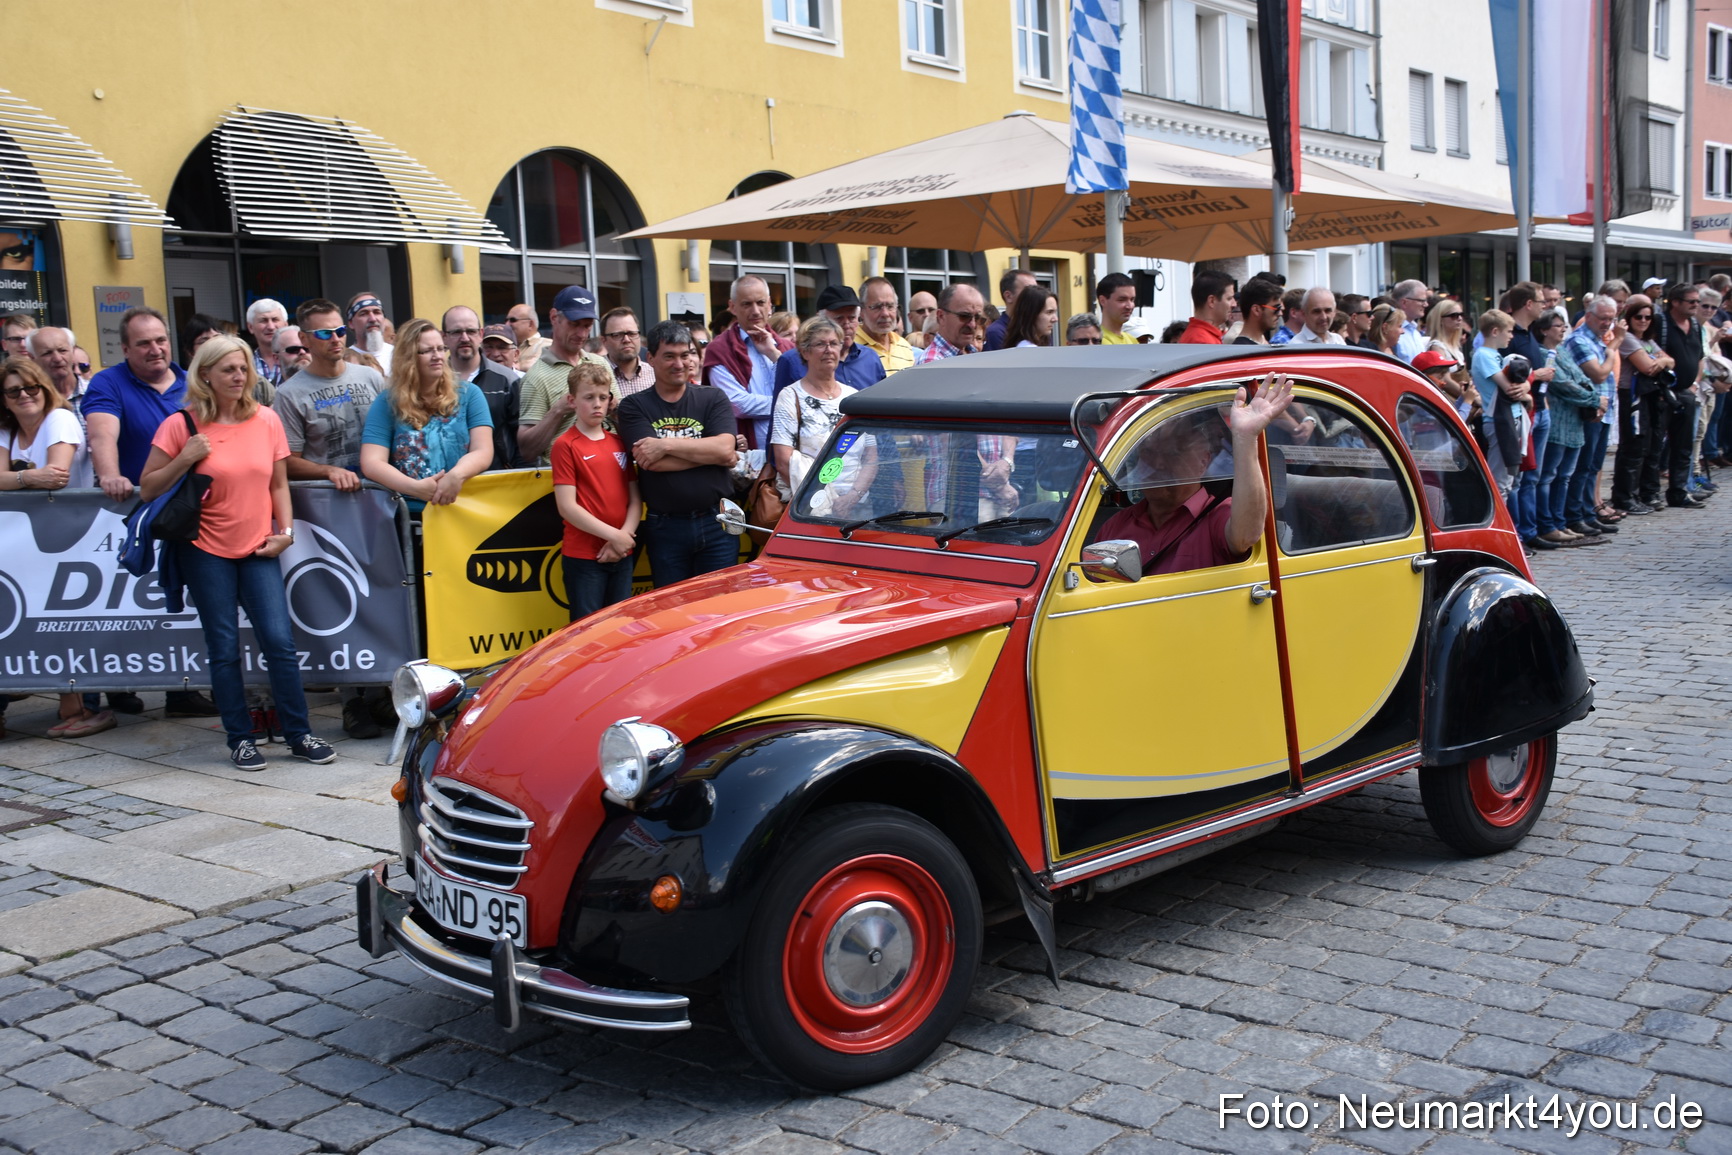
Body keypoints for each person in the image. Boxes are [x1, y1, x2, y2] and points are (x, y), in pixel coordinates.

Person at [136, 337, 336, 771]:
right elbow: (148, 486)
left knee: (280, 642)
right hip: (204, 550)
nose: (238, 377)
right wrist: (184, 458)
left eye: (243, 368)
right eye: (228, 369)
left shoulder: (265, 420)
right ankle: (240, 738)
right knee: (223, 647)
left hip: (260, 546)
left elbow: (278, 485)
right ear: (205, 374)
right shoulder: (181, 424)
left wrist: (284, 533)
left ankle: (298, 733)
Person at [85, 306, 220, 717]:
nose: (154, 349)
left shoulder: (189, 381)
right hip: (135, 513)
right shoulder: (108, 382)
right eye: (143, 343)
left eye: (160, 340)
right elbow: (102, 432)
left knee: (182, 604)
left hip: (191, 515)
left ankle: (183, 692)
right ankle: (112, 689)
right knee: (122, 608)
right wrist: (110, 475)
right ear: (125, 348)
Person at [273, 300, 388, 740]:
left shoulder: (370, 378)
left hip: (377, 506)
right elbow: (286, 460)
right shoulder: (290, 393)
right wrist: (328, 472)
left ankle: (381, 690)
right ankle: (351, 701)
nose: (335, 339)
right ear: (303, 340)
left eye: (339, 330)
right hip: (327, 513)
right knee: (340, 604)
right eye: (323, 333)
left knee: (382, 598)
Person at [0, 357, 114, 738]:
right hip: (26, 545)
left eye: (31, 387)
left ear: (43, 388)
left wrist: (14, 478)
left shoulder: (60, 419)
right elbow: (39, 475)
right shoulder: (7, 430)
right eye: (14, 391)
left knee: (70, 623)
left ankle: (86, 707)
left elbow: (59, 475)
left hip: (71, 538)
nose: (25, 396)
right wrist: (29, 476)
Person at [1094, 375, 1295, 575]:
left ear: (1203, 462)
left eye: (1172, 454)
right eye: (1148, 453)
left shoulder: (1217, 517)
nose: (1157, 463)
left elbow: (1247, 535)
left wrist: (1246, 437)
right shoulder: (1117, 524)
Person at [617, 321, 739, 587]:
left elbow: (725, 449)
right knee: (673, 611)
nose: (680, 364)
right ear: (650, 359)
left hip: (718, 521)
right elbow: (652, 463)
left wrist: (665, 445)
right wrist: (713, 453)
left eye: (685, 355)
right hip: (666, 527)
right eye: (669, 356)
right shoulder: (633, 406)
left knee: (722, 609)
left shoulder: (713, 398)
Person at [360, 319, 494, 514]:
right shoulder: (387, 402)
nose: (438, 356)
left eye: (441, 348)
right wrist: (413, 488)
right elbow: (372, 462)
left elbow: (483, 450)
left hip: (465, 510)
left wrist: (457, 475)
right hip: (410, 515)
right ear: (408, 357)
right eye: (428, 351)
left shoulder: (469, 394)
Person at [551, 362, 640, 620]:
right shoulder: (565, 445)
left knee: (619, 627)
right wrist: (616, 536)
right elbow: (567, 506)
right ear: (572, 400)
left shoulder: (618, 442)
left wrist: (623, 538)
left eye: (603, 397)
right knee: (585, 631)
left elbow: (634, 499)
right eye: (589, 398)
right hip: (584, 556)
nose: (597, 404)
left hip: (622, 551)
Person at [769, 317, 876, 515]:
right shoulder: (790, 396)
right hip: (810, 507)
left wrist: (852, 497)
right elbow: (783, 460)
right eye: (820, 344)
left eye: (834, 343)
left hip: (858, 507)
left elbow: (871, 457)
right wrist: (823, 501)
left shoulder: (855, 397)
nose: (829, 350)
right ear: (804, 351)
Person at [1538, 301, 1615, 544]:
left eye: (1564, 325)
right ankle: (1549, 523)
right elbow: (1563, 384)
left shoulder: (1562, 351)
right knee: (1551, 475)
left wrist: (1593, 398)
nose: (1562, 330)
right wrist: (1594, 399)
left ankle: (1564, 521)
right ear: (1544, 330)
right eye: (1557, 326)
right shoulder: (1543, 353)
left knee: (1566, 476)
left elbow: (1582, 378)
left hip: (1575, 423)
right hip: (1558, 423)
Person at [517, 286, 610, 464]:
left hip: (607, 472)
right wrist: (558, 411)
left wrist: (615, 410)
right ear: (554, 317)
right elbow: (527, 451)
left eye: (587, 326)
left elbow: (622, 424)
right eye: (574, 324)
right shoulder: (536, 377)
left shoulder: (600, 363)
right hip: (566, 479)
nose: (582, 333)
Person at [705, 275, 793, 450]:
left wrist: (774, 354)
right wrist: (789, 404)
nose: (755, 311)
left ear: (769, 305)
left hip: (792, 449)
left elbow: (806, 389)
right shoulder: (720, 349)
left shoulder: (787, 347)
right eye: (747, 304)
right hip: (748, 455)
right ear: (732, 307)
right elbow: (737, 404)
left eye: (760, 303)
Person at [1611, 295, 1671, 516]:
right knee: (1633, 447)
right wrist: (1658, 361)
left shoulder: (1648, 341)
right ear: (1630, 317)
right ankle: (1625, 496)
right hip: (1632, 395)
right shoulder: (1627, 339)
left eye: (1647, 317)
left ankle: (1644, 492)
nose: (1643, 321)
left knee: (1652, 445)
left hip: (1651, 396)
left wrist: (1661, 361)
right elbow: (1647, 367)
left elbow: (1668, 361)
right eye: (1639, 316)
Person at [443, 306, 522, 470]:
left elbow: (523, 440)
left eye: (470, 331)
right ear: (444, 337)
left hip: (496, 482)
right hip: (444, 481)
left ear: (480, 334)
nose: (464, 338)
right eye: (456, 332)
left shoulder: (507, 380)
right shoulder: (433, 381)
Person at [772, 285, 886, 394]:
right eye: (839, 318)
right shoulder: (792, 361)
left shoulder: (871, 358)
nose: (846, 324)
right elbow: (781, 409)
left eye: (852, 318)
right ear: (820, 319)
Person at [1472, 310, 1529, 509]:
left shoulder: (1492, 355)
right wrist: (1528, 388)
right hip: (1499, 421)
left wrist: (1526, 388)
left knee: (1508, 480)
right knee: (1501, 482)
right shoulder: (1484, 356)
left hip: (1508, 418)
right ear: (1495, 331)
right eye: (1509, 331)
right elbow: (1510, 389)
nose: (1511, 336)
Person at [857, 277, 918, 374]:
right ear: (861, 311)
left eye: (890, 306)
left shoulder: (904, 346)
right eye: (877, 307)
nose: (885, 313)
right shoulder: (851, 347)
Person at [25, 327, 87, 422]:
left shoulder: (96, 391)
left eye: (62, 350)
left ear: (73, 351)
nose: (57, 358)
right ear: (32, 358)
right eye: (47, 353)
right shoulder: (30, 401)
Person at [917, 283, 988, 363]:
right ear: (941, 316)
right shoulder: (932, 362)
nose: (973, 324)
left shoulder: (972, 352)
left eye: (978, 318)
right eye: (964, 316)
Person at [1422, 299, 1472, 406]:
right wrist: (1470, 397)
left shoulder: (1455, 347)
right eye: (1454, 315)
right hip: (1450, 404)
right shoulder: (1437, 346)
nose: (1459, 319)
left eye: (1461, 315)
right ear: (1440, 319)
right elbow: (1444, 379)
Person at [599, 307, 655, 398]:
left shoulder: (655, 375)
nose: (626, 340)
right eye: (617, 335)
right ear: (604, 340)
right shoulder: (593, 376)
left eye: (632, 334)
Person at [983, 268, 1037, 351]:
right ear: (1008, 296)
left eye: (1036, 290)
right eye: (1029, 291)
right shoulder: (996, 333)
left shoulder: (1037, 329)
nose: (1036, 296)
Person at [1178, 271, 1235, 344]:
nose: (1234, 304)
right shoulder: (1201, 340)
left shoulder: (1205, 335)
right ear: (1212, 301)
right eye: (1229, 298)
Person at [1000, 284, 1057, 349]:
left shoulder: (1035, 346)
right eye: (1049, 312)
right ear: (1031, 314)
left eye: (1055, 312)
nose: (1055, 319)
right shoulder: (1027, 348)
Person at [346, 293, 393, 373]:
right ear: (351, 323)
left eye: (377, 312)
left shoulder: (399, 355)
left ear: (384, 319)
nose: (373, 319)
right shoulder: (346, 360)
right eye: (363, 314)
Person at [246, 299, 288, 388]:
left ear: (285, 325)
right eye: (263, 320)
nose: (271, 327)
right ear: (250, 327)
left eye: (275, 320)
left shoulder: (301, 358)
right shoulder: (243, 364)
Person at [1232, 278, 1284, 345]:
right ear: (1256, 310)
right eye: (1276, 308)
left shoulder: (1262, 344)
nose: (1280, 313)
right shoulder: (1242, 351)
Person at [1390, 279, 1431, 363]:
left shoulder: (1415, 332)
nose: (1426, 305)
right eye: (1422, 300)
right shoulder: (1391, 332)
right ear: (1404, 302)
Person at [506, 302, 551, 372]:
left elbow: (544, 366)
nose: (507, 324)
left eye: (512, 320)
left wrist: (519, 366)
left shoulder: (547, 345)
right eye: (506, 320)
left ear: (530, 324)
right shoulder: (506, 346)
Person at [1095, 273, 1137, 345]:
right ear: (1103, 301)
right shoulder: (1095, 341)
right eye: (1122, 300)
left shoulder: (1132, 340)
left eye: (1132, 300)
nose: (1129, 306)